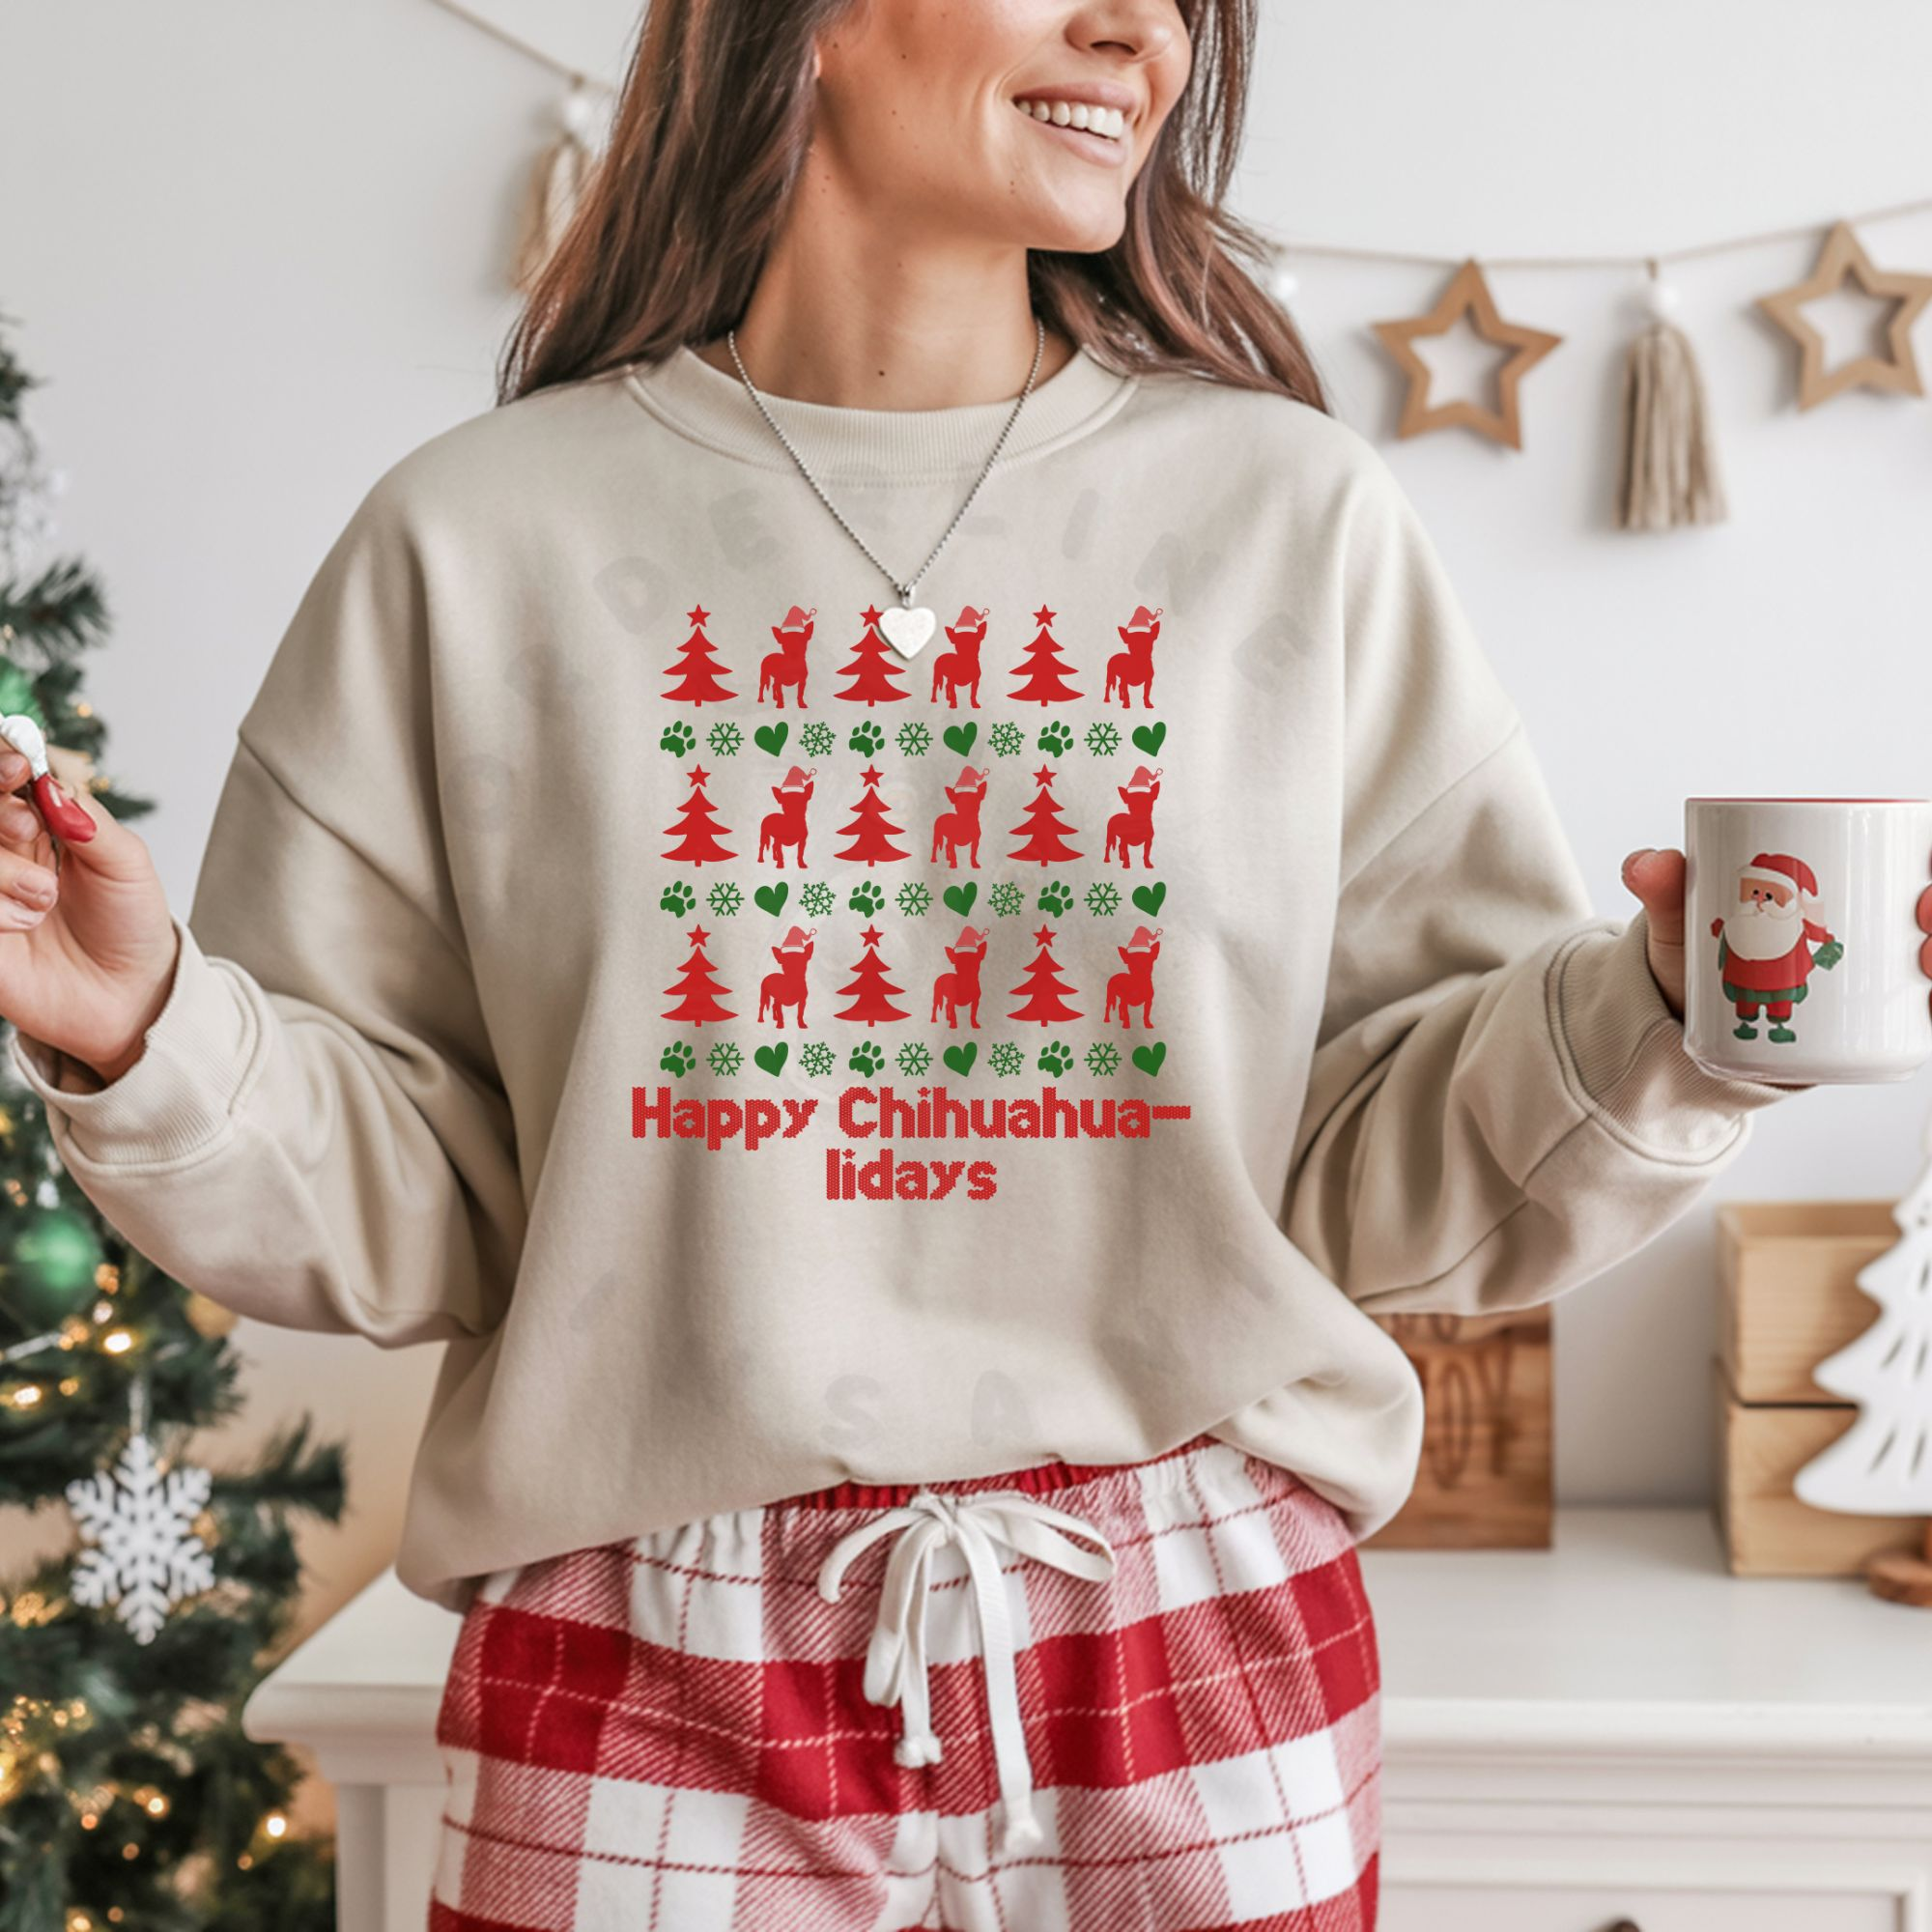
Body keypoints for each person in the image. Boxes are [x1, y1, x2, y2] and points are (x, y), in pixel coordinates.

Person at [8, 3, 1927, 1927]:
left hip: (1193, 1621)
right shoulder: (476, 537)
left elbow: (1375, 1173)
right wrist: (148, 1036)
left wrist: (1667, 1013)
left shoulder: (1291, 520)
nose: (1139, 35)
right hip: (639, 1644)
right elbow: (424, 1207)